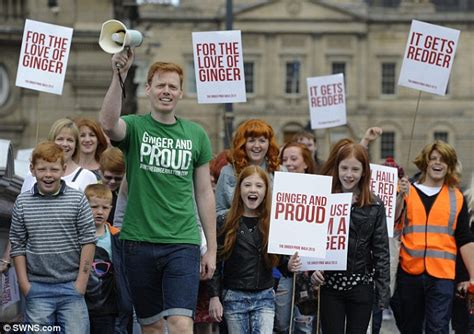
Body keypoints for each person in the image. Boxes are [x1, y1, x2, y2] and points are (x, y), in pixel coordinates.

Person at [99, 48, 216, 333]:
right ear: (149, 89)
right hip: (138, 242)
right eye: (161, 85)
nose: (166, 91)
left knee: (180, 324)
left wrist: (211, 249)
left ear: (181, 93)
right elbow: (108, 123)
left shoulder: (196, 134)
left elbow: (204, 193)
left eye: (172, 86)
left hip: (183, 242)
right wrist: (119, 75)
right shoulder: (136, 128)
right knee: (150, 326)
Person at [9, 141, 96, 333]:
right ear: (32, 170)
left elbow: (88, 241)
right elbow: (17, 245)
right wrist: (24, 285)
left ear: (64, 169)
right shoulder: (22, 203)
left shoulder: (77, 199)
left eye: (54, 169)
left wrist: (81, 283)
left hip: (72, 287)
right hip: (37, 289)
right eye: (42, 169)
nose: (48, 175)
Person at [207, 165, 300, 333]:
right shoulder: (224, 221)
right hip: (233, 297)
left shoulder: (272, 222)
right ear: (239, 189)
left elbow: (278, 258)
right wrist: (214, 297)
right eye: (247, 184)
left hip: (264, 296)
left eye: (259, 185)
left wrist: (289, 264)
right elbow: (214, 261)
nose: (253, 189)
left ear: (266, 191)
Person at [311, 141, 390, 333]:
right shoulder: (322, 199)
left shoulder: (375, 205)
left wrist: (382, 293)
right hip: (330, 284)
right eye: (344, 168)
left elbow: (381, 251)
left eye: (355, 169)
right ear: (336, 168)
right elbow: (311, 239)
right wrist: (311, 269)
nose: (349, 174)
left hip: (361, 284)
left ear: (364, 172)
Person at [396, 140, 474, 334]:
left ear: (449, 166)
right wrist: (399, 197)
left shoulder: (456, 197)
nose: (438, 163)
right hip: (409, 272)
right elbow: (393, 223)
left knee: (438, 329)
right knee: (410, 328)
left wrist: (473, 275)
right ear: (425, 162)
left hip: (442, 276)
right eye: (434, 159)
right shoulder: (407, 191)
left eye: (443, 160)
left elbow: (464, 238)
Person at [274, 142, 317, 334]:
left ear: (306, 162)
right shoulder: (273, 191)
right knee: (282, 325)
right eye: (284, 160)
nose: (289, 164)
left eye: (294, 159)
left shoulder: (319, 190)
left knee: (305, 327)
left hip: (309, 271)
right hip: (283, 269)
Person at [84, 184, 132, 334]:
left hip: (109, 305)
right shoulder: (76, 235)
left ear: (111, 209)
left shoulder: (117, 237)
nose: (99, 212)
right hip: (81, 304)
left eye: (105, 208)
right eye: (94, 207)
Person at [215, 119, 281, 216]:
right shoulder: (228, 172)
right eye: (251, 141)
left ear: (269, 144)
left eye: (262, 141)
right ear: (242, 144)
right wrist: (242, 215)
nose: (257, 146)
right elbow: (218, 211)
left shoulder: (280, 172)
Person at [21, 118, 98, 193]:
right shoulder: (33, 174)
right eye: (60, 139)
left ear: (76, 145)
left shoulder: (88, 177)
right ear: (51, 141)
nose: (65, 144)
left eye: (70, 140)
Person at [98, 147, 126, 224]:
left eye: (118, 178)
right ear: (100, 172)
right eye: (108, 177)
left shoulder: (127, 193)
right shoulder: (92, 191)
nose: (112, 181)